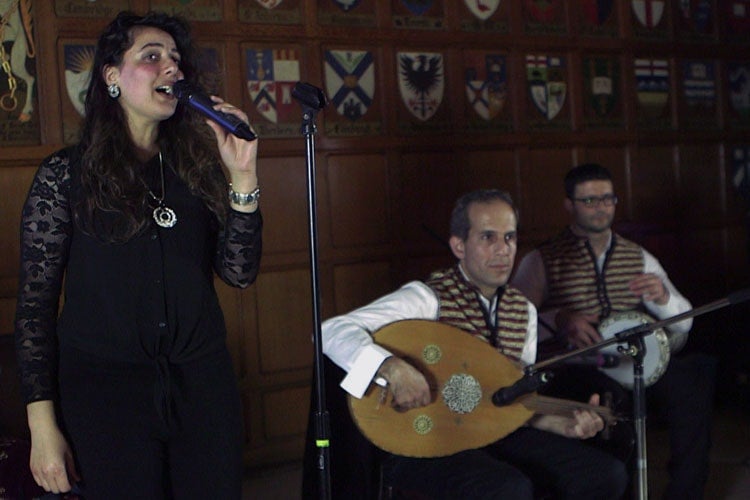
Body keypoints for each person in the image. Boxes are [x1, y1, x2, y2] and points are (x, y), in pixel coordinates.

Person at [14, 11, 262, 498]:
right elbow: (34, 310)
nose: (171, 67)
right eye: (152, 56)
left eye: (176, 59)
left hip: (202, 388)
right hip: (104, 394)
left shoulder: (199, 170)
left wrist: (244, 178)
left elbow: (239, 272)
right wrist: (42, 427)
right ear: (112, 76)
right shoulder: (64, 176)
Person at [320, 189, 628, 499]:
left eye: (509, 238)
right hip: (425, 438)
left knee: (605, 474)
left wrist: (562, 425)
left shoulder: (523, 311)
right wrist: (392, 367)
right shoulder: (427, 298)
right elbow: (329, 330)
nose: (502, 250)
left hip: (492, 433)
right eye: (488, 237)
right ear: (459, 245)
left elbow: (508, 402)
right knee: (507, 488)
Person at [512, 163, 717, 499]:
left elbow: (684, 322)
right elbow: (515, 322)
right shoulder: (541, 260)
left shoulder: (638, 256)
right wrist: (560, 318)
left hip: (637, 361)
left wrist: (663, 298)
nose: (601, 207)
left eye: (607, 199)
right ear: (569, 205)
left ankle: (685, 493)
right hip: (581, 366)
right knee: (609, 403)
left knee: (691, 384)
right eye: (589, 200)